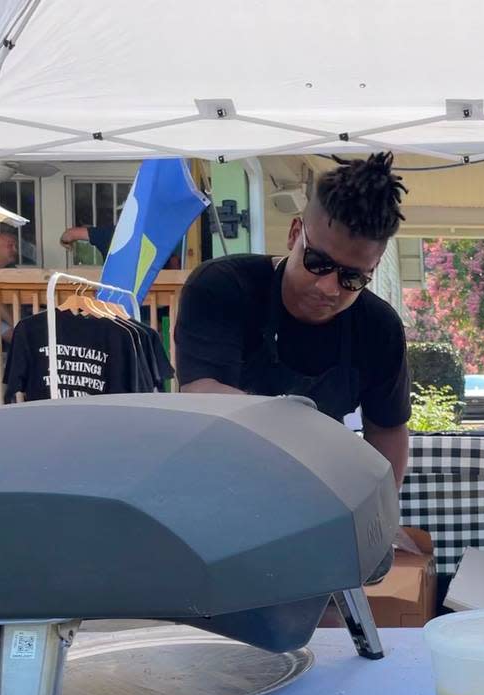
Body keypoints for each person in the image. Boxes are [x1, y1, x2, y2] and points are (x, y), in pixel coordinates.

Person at [174, 152, 411, 486]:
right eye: (317, 262)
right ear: (294, 233)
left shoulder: (379, 328)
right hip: (218, 477)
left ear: (374, 268)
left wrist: (383, 510)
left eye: (352, 278)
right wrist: (300, 429)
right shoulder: (223, 287)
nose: (329, 287)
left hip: (316, 486)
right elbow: (204, 393)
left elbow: (387, 429)